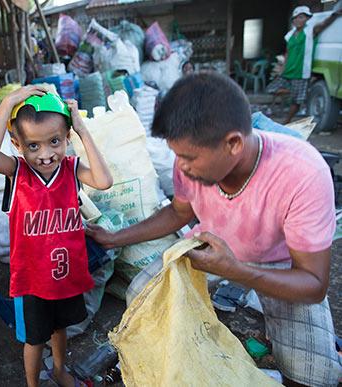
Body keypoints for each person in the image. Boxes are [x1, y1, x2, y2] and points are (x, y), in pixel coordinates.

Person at [87, 72, 340, 387]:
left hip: (283, 265)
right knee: (141, 297)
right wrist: (113, 239)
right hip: (209, 249)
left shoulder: (303, 172)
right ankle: (188, 364)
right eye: (176, 155)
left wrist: (237, 270)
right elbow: (179, 212)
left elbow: (314, 283)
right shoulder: (191, 166)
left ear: (233, 143)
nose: (180, 167)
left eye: (188, 157)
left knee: (314, 378)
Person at [0, 86, 112, 387]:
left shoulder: (71, 169)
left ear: (66, 138)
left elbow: (104, 180)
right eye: (34, 146)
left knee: (60, 328)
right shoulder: (18, 173)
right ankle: (32, 384)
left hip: (65, 275)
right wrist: (8, 104)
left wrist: (81, 128)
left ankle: (59, 369)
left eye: (55, 141)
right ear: (17, 145)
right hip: (32, 282)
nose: (46, 153)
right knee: (34, 339)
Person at [267, 5, 342, 124]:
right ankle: (295, 92)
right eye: (296, 18)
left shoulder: (310, 31)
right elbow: (287, 52)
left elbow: (324, 25)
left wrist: (335, 15)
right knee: (271, 89)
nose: (299, 20)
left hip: (301, 72)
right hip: (288, 71)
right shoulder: (290, 35)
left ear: (307, 19)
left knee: (296, 102)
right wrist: (283, 67)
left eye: (302, 17)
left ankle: (287, 121)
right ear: (293, 20)